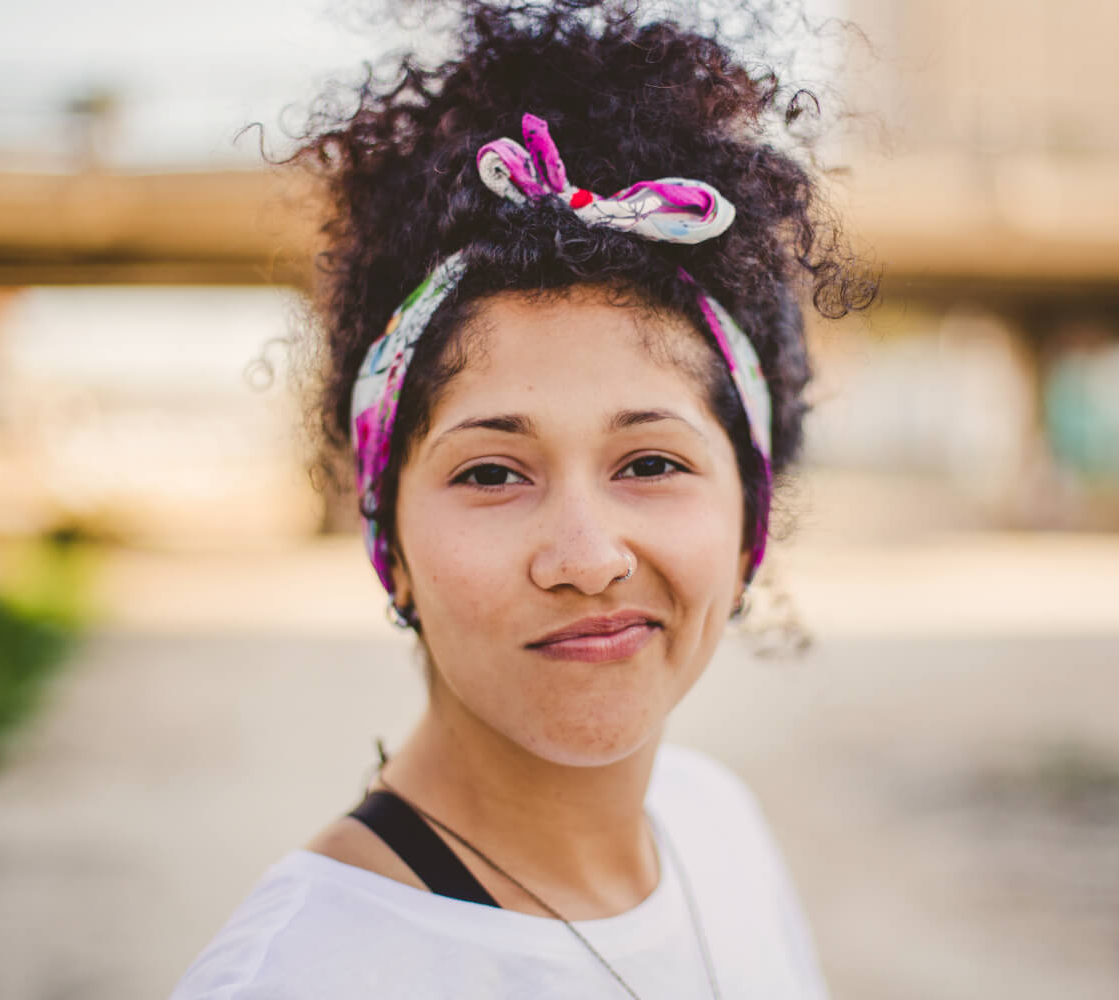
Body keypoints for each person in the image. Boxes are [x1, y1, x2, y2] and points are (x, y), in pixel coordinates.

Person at [171, 1, 871, 996]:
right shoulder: (302, 974)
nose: (586, 556)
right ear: (390, 540)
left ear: (751, 517)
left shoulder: (719, 826)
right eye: (492, 473)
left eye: (652, 464)